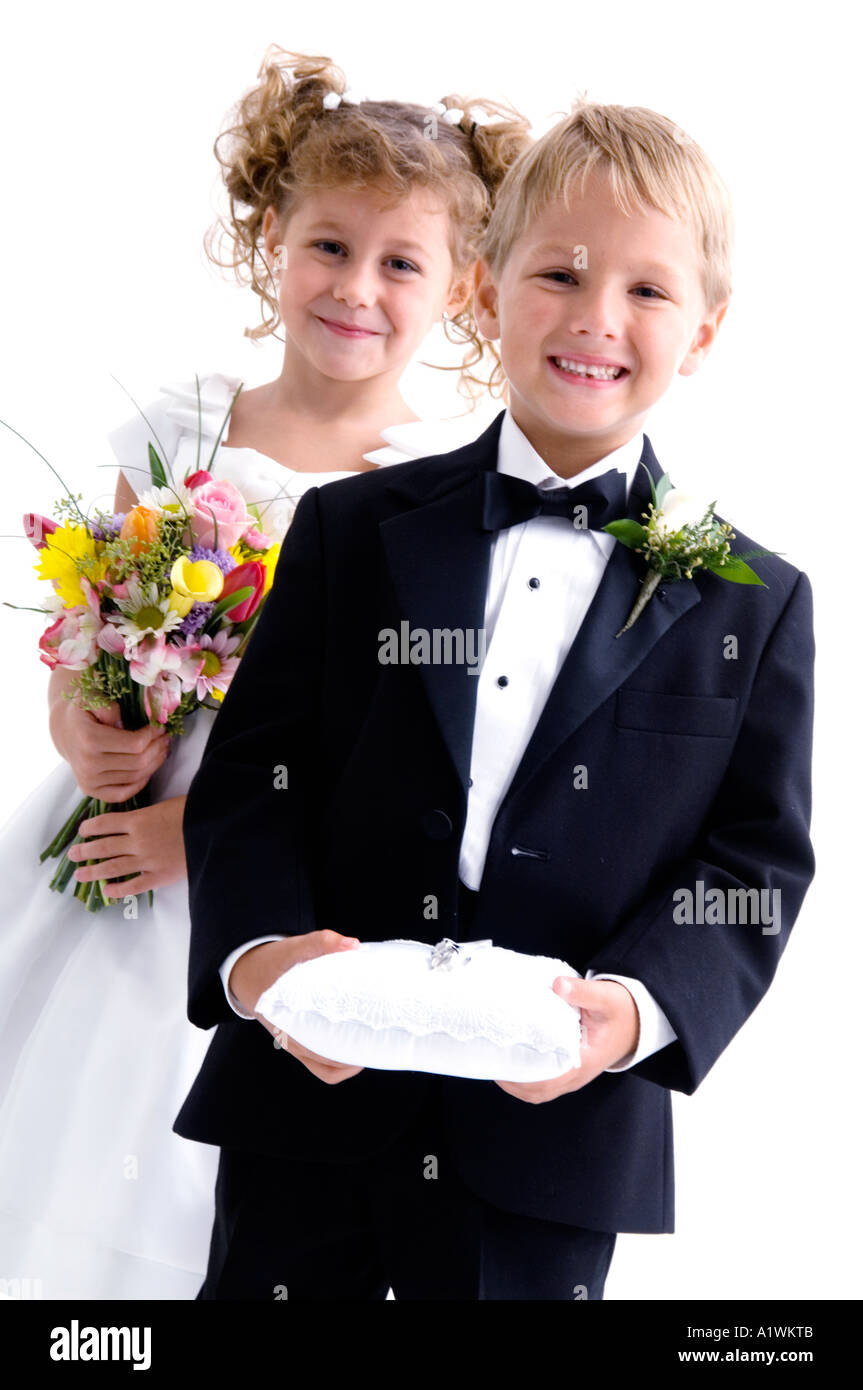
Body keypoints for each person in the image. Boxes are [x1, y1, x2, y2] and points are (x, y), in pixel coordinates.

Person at [176, 100, 815, 1301]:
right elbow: (254, 781)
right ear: (483, 286)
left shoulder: (756, 601)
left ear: (707, 330)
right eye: (558, 273)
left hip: (550, 1153)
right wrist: (259, 961)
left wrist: (627, 1015)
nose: (593, 319)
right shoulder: (349, 528)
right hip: (307, 1111)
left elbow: (752, 862)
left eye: (645, 291)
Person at [0, 47, 529, 1300]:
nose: (356, 288)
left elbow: (396, 740)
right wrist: (85, 730)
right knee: (52, 1131)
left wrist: (198, 824)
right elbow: (90, 628)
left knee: (207, 1175)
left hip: (265, 873)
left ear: (460, 286)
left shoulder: (434, 494)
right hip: (106, 848)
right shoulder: (180, 427)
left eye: (400, 262)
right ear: (269, 247)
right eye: (327, 247)